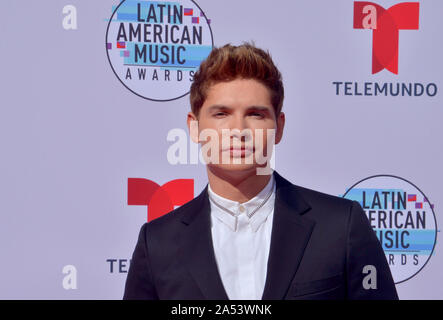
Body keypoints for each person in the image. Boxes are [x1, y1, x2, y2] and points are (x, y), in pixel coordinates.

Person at [123, 43, 398, 300]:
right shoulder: (158, 243)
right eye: (221, 114)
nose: (238, 131)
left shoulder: (341, 226)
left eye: (255, 114)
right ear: (194, 127)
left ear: (279, 126)